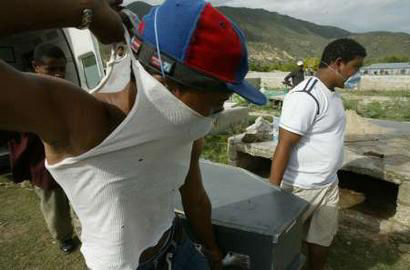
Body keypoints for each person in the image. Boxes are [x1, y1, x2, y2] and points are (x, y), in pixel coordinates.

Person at [0, 0, 267, 269]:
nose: (216, 114)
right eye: (217, 103)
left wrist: (212, 251)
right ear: (167, 84)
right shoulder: (81, 120)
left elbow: (194, 197)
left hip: (178, 246)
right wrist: (88, 11)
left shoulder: (184, 129)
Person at [269, 38, 366, 270]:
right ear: (339, 63)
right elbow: (284, 145)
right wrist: (271, 191)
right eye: (355, 67)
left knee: (322, 236)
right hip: (301, 187)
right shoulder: (306, 96)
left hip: (328, 184)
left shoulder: (332, 95)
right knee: (282, 243)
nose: (356, 74)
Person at [0, 44, 78, 253]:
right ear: (35, 66)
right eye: (51, 69)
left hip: (71, 160)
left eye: (62, 68)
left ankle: (85, 231)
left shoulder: (68, 91)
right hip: (41, 165)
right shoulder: (21, 93)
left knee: (79, 200)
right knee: (54, 206)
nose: (58, 74)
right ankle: (64, 238)